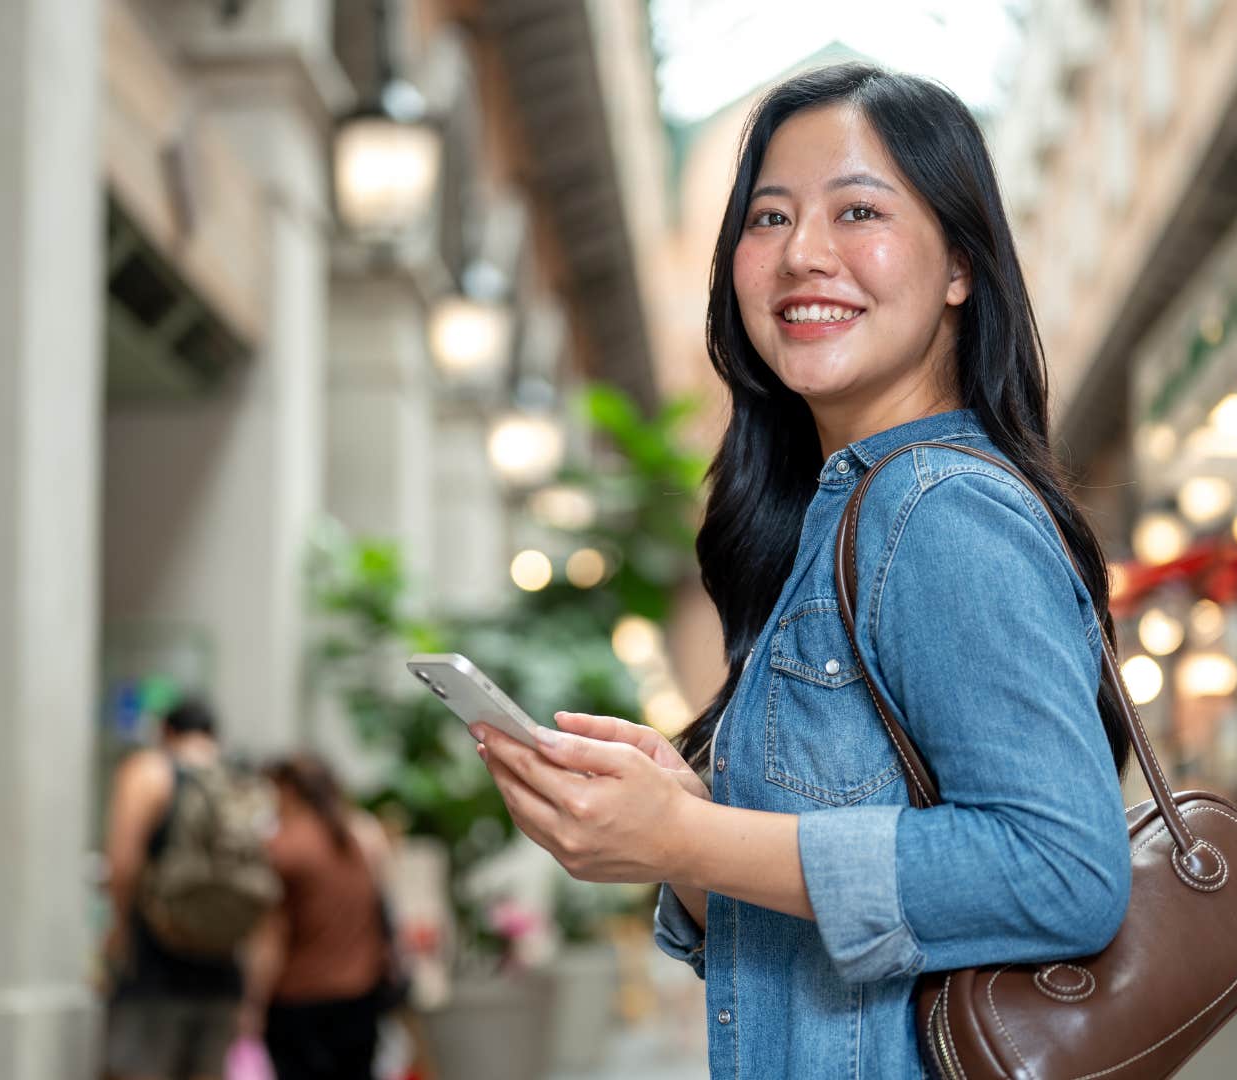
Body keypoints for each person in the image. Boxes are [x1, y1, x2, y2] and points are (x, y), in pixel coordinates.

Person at [471, 63, 1133, 1079]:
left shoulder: (938, 510)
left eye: (858, 210)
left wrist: (695, 841)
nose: (802, 257)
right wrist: (681, 827)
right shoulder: (842, 517)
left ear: (960, 263)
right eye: (769, 218)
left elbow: (1062, 873)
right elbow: (803, 943)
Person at [104, 699, 245, 1080]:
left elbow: (123, 864)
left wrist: (118, 937)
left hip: (155, 967)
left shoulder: (149, 772)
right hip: (223, 969)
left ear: (166, 731)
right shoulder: (238, 777)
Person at [239, 754, 394, 1080]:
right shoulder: (363, 837)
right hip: (360, 995)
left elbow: (271, 938)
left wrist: (252, 1004)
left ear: (290, 791)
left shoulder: (285, 847)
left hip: (300, 999)